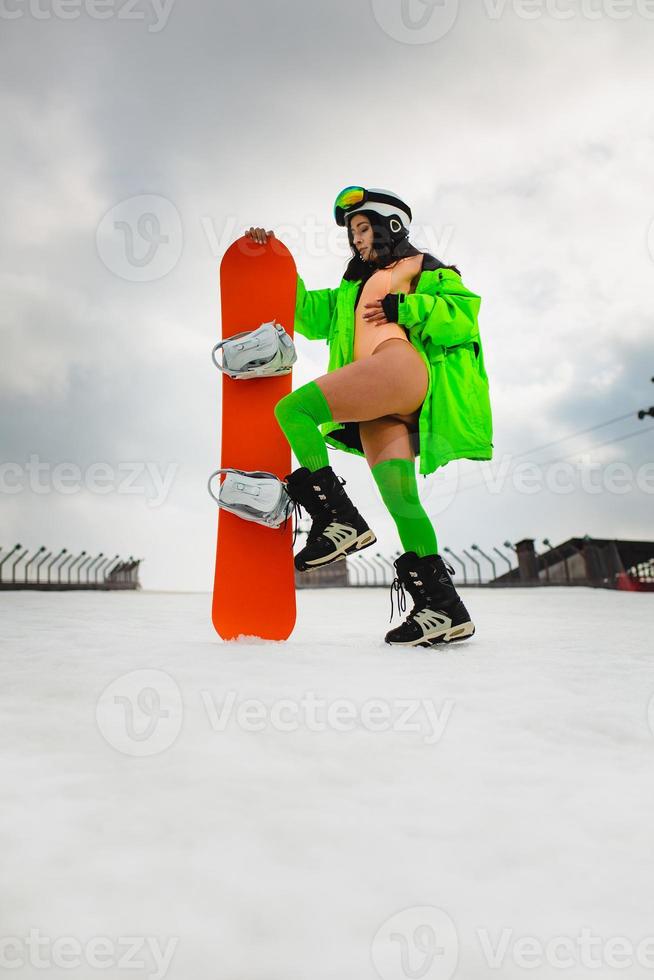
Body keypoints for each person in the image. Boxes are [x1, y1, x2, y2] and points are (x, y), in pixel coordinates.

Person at [245, 186, 493, 647]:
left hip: (400, 368)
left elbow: (463, 316)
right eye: (351, 233)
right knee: (403, 502)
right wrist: (274, 259)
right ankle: (443, 609)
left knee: (294, 409)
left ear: (390, 224)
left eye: (362, 228)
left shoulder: (422, 267)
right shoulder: (349, 291)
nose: (357, 239)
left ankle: (338, 520)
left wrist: (407, 305)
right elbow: (301, 311)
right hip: (383, 407)